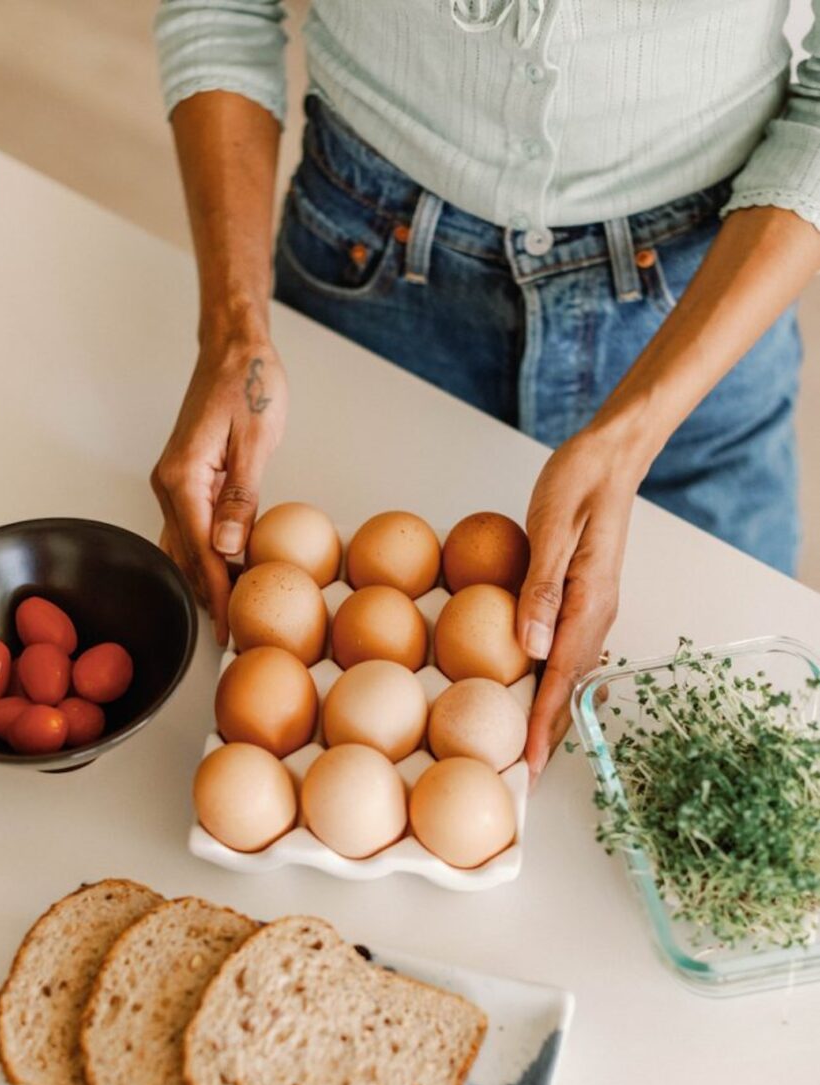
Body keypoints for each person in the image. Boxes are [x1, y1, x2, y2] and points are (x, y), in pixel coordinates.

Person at [150, 0, 820, 779]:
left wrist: (634, 431)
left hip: (703, 300)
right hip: (370, 261)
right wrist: (233, 330)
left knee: (738, 746)